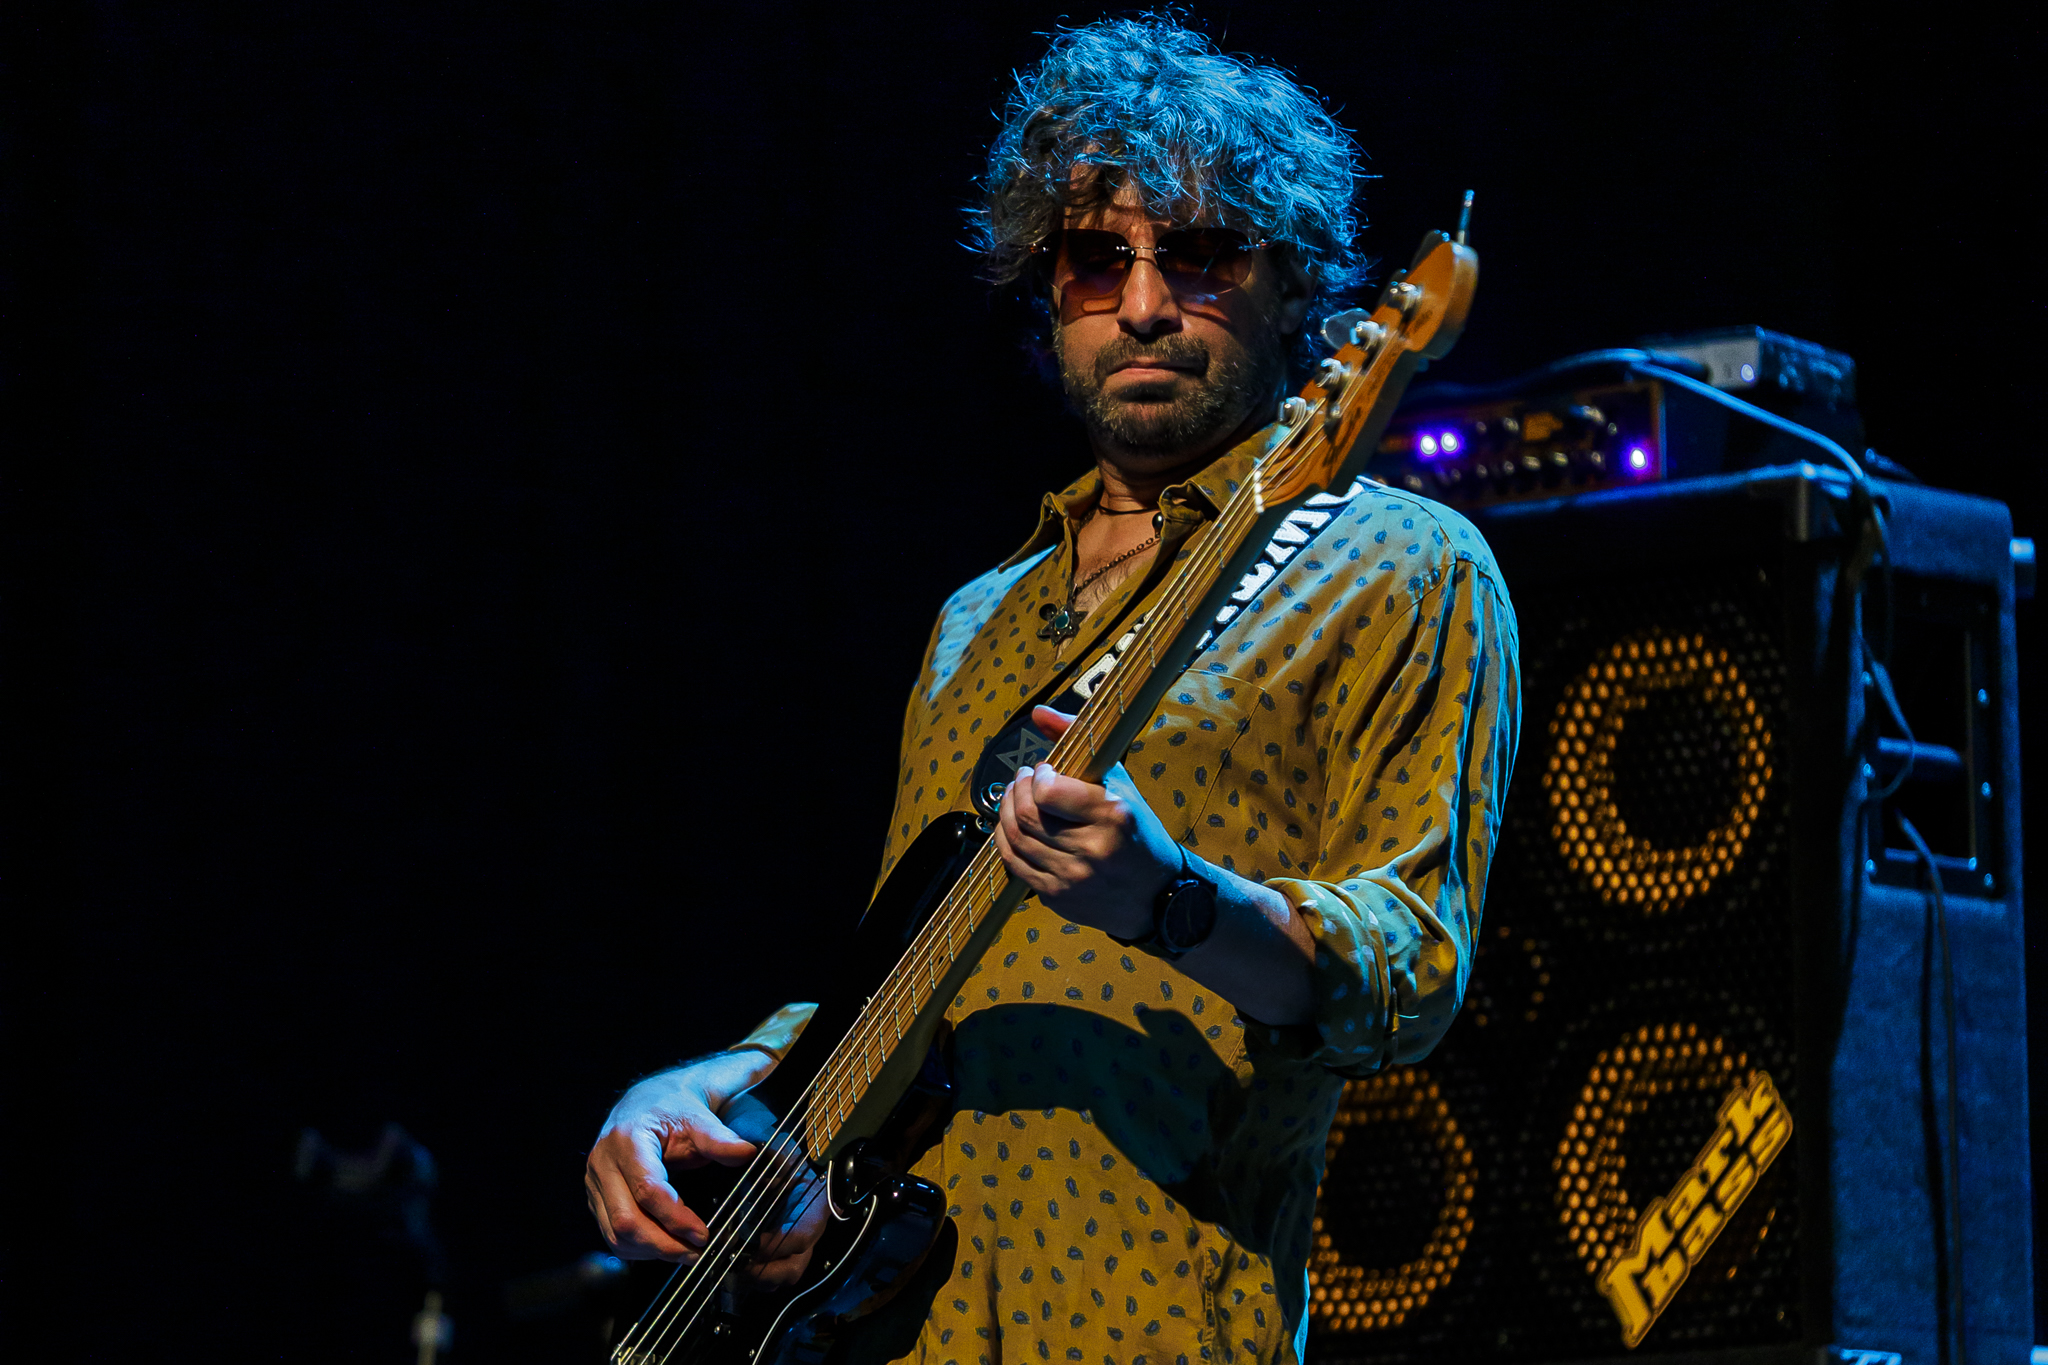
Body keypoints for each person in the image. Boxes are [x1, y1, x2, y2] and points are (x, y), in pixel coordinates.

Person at [585, 17, 1520, 1365]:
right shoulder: (977, 618)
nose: (1142, 305)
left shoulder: (1396, 562)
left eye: (1201, 253)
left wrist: (1170, 898)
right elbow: (902, 980)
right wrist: (712, 1080)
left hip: (1151, 1320)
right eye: (1096, 259)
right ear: (1048, 289)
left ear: (1292, 286)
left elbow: (1411, 969)